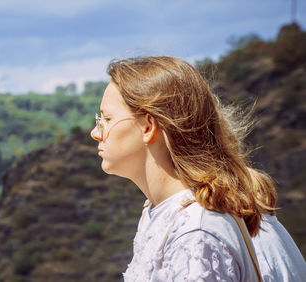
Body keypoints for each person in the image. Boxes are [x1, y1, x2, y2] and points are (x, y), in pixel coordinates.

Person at [89, 56, 303, 281]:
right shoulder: (159, 213)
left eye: (107, 118)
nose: (96, 132)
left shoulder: (197, 233)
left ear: (148, 127)